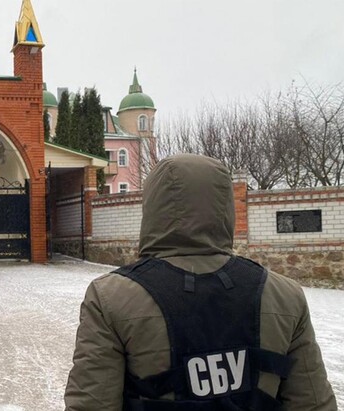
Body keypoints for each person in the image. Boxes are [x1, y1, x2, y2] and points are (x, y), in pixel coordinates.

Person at [64, 154, 337, 410]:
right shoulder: (284, 295)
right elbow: (313, 402)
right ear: (225, 206)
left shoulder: (112, 298)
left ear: (153, 207)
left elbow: (92, 403)